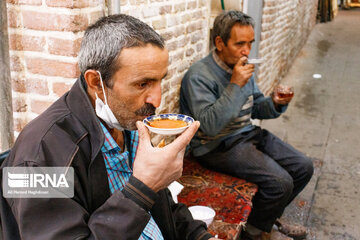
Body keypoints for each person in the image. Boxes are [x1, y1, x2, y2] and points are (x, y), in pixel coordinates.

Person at [0, 14, 218, 240]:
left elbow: (162, 205)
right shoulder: (38, 156)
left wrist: (199, 236)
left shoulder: (129, 122)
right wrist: (141, 189)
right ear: (96, 82)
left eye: (160, 80)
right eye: (142, 84)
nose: (157, 99)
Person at [180, 10, 314, 240]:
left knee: (303, 166)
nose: (247, 51)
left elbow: (256, 107)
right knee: (281, 183)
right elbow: (210, 126)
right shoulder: (198, 76)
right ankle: (253, 231)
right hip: (217, 146)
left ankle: (267, 218)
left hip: (246, 133)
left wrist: (274, 103)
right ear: (219, 43)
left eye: (250, 43)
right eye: (239, 44)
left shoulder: (241, 66)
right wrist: (235, 85)